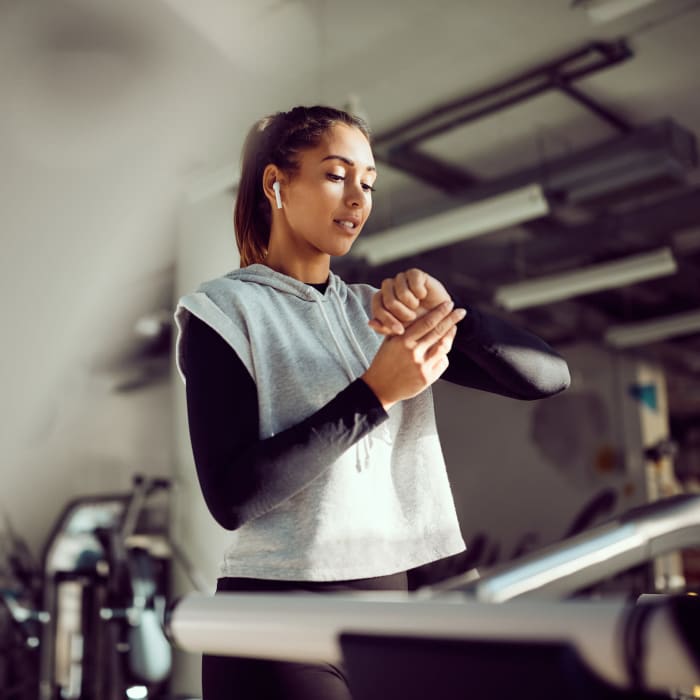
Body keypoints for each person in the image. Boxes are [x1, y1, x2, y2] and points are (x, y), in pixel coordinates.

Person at [174, 105, 571, 700]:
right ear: (275, 183)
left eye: (368, 182)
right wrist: (376, 393)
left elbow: (548, 377)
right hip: (276, 624)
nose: (358, 198)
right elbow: (234, 496)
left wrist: (451, 311)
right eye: (336, 175)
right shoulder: (222, 313)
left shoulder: (375, 312)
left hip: (395, 619)